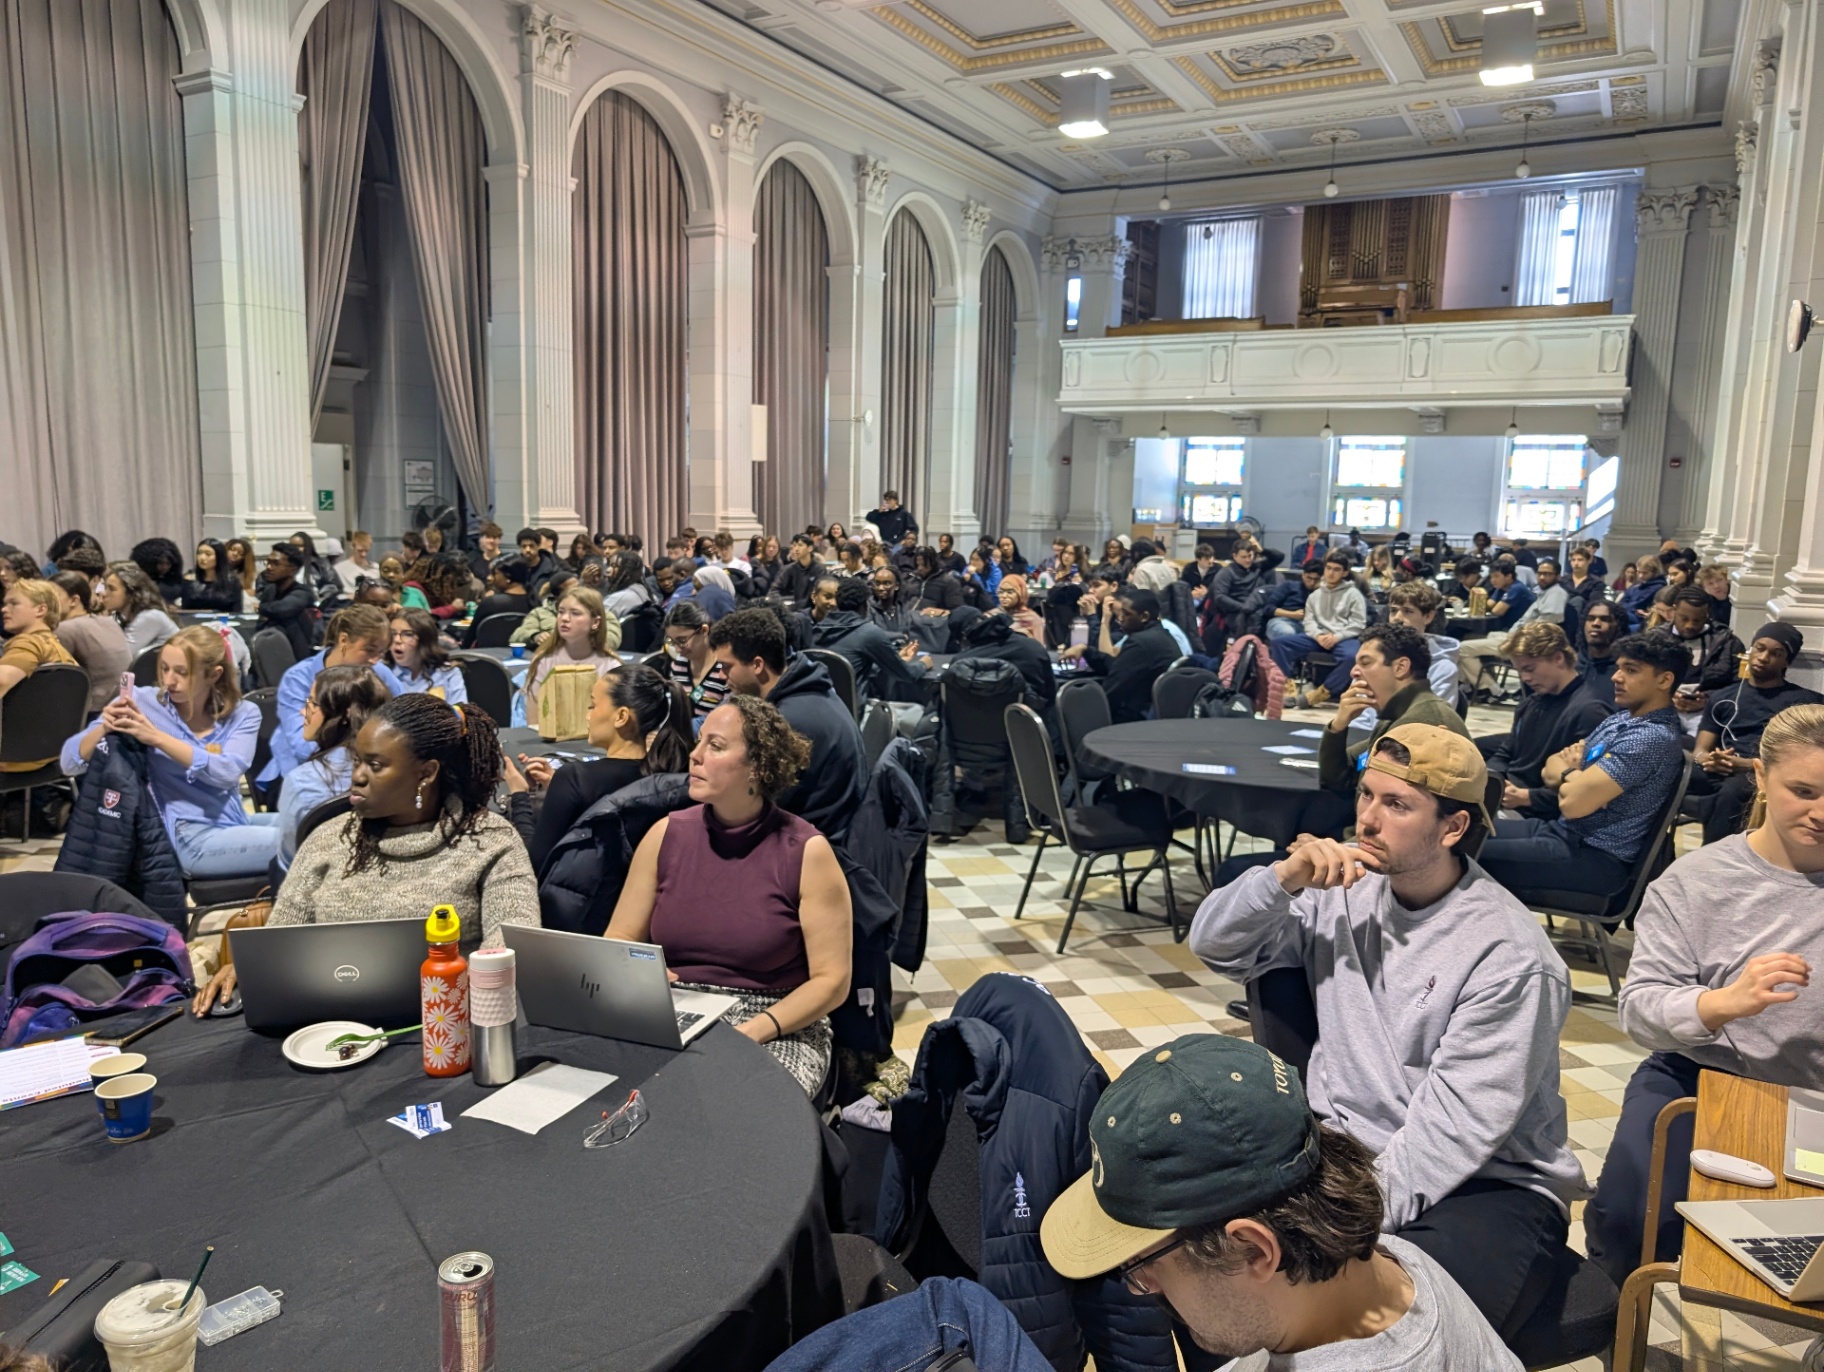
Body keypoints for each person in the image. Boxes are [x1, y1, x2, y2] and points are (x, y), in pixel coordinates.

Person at [785, 1034, 1522, 1372]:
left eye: (1143, 1270)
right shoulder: (1400, 1263)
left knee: (952, 1312)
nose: (1141, 1291)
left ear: (1253, 1248)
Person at [1191, 725, 1585, 1341]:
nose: (1368, 820)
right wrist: (1282, 879)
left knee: (1389, 1336)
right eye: (1365, 795)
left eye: (1396, 805)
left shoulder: (1510, 957)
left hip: (1486, 1183)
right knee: (1216, 1283)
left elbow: (1453, 1132)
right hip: (1343, 1155)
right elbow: (1214, 946)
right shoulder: (1340, 890)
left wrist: (1343, 1230)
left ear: (1452, 828)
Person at [1583, 703, 1824, 1286]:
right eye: (1803, 790)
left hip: (1813, 1091)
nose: (1822, 814)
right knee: (1627, 1216)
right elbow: (1640, 1009)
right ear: (1761, 777)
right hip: (1701, 1075)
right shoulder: (1696, 883)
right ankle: (1617, 1321)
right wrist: (1719, 1003)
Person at [193, 694, 541, 1013]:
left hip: (445, 1029)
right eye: (357, 760)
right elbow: (282, 939)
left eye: (375, 765)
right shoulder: (330, 837)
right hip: (323, 1024)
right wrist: (253, 967)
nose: (356, 776)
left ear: (426, 773)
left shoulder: (491, 842)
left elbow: (508, 953)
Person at [605, 695, 850, 1092]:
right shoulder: (666, 834)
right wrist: (641, 973)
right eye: (699, 742)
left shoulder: (806, 851)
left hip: (776, 1017)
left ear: (758, 766)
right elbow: (618, 939)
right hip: (673, 1006)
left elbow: (832, 980)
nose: (695, 755)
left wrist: (757, 1029)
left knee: (737, 1105)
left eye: (715, 746)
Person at [1477, 631, 1688, 898]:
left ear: (1664, 680)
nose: (1616, 677)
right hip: (1564, 833)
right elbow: (1548, 768)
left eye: (1631, 670)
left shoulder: (1650, 737)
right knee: (1461, 831)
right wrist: (1577, 778)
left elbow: (1572, 803)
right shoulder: (1622, 720)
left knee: (1454, 853)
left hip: (1595, 858)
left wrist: (1569, 773)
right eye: (1619, 667)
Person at [63, 626, 279, 879]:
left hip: (231, 819)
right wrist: (102, 729)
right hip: (185, 836)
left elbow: (226, 773)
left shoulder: (243, 713)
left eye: (182, 672)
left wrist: (156, 738)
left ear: (214, 674)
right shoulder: (141, 702)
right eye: (164, 668)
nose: (168, 681)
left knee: (317, 827)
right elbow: (69, 763)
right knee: (305, 843)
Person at [503, 663, 694, 871]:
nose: (588, 716)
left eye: (593, 706)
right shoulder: (671, 778)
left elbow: (536, 864)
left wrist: (519, 796)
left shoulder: (576, 778)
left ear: (621, 717)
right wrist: (558, 788)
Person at [709, 608, 867, 843]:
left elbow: (750, 804)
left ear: (757, 665)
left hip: (816, 849)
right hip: (824, 832)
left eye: (726, 667)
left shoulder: (787, 721)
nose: (721, 676)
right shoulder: (810, 687)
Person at [1689, 622, 1823, 843]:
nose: (1763, 657)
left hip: (1763, 771)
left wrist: (1747, 764)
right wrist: (1709, 759)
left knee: (1731, 793)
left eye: (1775, 653)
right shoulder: (1723, 696)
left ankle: (1716, 857)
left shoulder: (1803, 701)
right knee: (1670, 771)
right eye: (1759, 648)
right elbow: (1700, 749)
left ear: (1786, 662)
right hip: (1721, 767)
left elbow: (1802, 758)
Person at [1481, 622, 1617, 821]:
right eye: (1519, 671)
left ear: (1559, 658)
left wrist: (1528, 798)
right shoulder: (1531, 703)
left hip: (1540, 814)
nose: (1525, 677)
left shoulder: (1590, 711)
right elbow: (1505, 754)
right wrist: (1492, 780)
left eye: (1530, 668)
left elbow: (1592, 789)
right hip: (1508, 798)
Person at [260, 604, 405, 785]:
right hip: (302, 775)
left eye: (381, 652)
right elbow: (302, 746)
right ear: (344, 640)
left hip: (359, 770)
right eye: (369, 649)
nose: (375, 660)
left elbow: (405, 714)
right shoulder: (298, 679)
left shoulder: (379, 672)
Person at [1317, 623, 1468, 792]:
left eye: (1365, 663)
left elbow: (1367, 793)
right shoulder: (1399, 713)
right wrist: (1338, 727)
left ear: (1400, 667)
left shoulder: (1419, 725)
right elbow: (1341, 777)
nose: (1354, 672)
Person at [275, 664, 390, 872]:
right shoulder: (403, 769)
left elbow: (290, 860)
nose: (303, 711)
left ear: (344, 715)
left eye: (312, 703)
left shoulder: (302, 782)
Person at [1060, 587, 1179, 726]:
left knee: (1065, 713)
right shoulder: (1161, 635)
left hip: (1139, 721)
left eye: (1127, 614)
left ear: (1144, 617)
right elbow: (1118, 664)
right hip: (1160, 716)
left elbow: (1111, 690)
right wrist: (1086, 650)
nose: (1120, 618)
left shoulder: (1140, 643)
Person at [0, 581, 81, 775]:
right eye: (4, 603)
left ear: (40, 610)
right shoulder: (55, 646)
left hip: (11, 756)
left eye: (14, 603)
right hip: (52, 752)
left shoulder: (28, 642)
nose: (4, 609)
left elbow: (2, 681)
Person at [1269, 553, 1368, 709]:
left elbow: (1358, 623)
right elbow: (1309, 621)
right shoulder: (1315, 595)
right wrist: (1318, 635)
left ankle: (1319, 694)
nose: (1331, 573)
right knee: (1279, 643)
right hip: (1317, 638)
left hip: (1344, 638)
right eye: (1328, 568)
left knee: (1352, 657)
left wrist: (1337, 637)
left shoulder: (1354, 594)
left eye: (1336, 569)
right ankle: (1287, 688)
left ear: (1345, 573)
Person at [814, 580, 931, 705]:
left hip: (821, 708)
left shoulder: (817, 630)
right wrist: (923, 664)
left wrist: (895, 658)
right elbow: (907, 675)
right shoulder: (868, 633)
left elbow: (850, 666)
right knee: (917, 711)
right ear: (865, 605)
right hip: (853, 714)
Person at [524, 586, 621, 724]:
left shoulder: (611, 666)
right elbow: (534, 720)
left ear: (595, 622)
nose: (564, 618)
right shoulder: (544, 661)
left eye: (575, 613)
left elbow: (612, 721)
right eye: (561, 612)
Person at [49, 570, 131, 714]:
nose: (45, 603)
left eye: (52, 596)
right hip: (125, 703)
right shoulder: (109, 621)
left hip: (93, 712)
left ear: (74, 600)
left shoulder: (65, 629)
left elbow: (51, 678)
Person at [1666, 586, 1745, 729]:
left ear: (1707, 615)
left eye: (1697, 620)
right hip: (1663, 706)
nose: (1690, 625)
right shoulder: (1655, 640)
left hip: (1709, 711)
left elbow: (1740, 685)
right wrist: (1667, 695)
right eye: (1684, 618)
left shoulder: (1728, 642)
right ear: (1673, 611)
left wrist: (1709, 698)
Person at [1456, 559, 1537, 697]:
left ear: (1509, 576)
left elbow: (1497, 610)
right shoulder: (1502, 589)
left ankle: (1490, 689)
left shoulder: (1517, 589)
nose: (1493, 580)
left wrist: (1487, 603)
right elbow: (1487, 605)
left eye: (1497, 576)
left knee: (1462, 648)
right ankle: (1469, 685)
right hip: (1503, 634)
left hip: (1517, 639)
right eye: (1492, 576)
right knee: (1462, 639)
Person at [954, 606, 1057, 713]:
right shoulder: (1032, 648)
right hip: (1027, 724)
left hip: (971, 726)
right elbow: (1051, 695)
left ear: (963, 637)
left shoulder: (961, 663)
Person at [661, 599, 730, 722]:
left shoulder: (725, 669)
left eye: (682, 641)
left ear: (704, 630)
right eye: (672, 641)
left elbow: (726, 719)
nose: (677, 649)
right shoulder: (678, 665)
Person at [100, 560, 180, 660]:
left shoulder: (149, 617)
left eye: (111, 589)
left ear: (131, 593)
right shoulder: (123, 617)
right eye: (105, 587)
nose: (103, 593)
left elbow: (119, 659)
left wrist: (102, 621)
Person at [389, 607, 468, 704]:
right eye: (392, 634)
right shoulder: (380, 673)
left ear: (425, 640)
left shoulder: (449, 673)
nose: (397, 640)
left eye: (408, 634)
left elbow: (461, 713)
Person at [256, 544, 319, 660]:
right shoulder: (270, 590)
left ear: (292, 569)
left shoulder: (303, 592)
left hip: (298, 656)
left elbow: (283, 609)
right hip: (270, 650)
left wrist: (262, 608)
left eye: (275, 563)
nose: (269, 567)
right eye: (268, 562)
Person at [1205, 541, 1269, 651]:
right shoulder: (1226, 573)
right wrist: (1243, 607)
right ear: (1234, 556)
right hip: (1235, 611)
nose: (1248, 560)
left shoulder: (1256, 567)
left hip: (1256, 608)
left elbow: (1278, 557)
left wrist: (1260, 550)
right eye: (1243, 557)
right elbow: (1220, 597)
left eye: (1250, 556)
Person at [466, 556, 535, 645]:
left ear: (508, 577)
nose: (489, 578)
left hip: (487, 656)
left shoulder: (491, 603)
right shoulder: (534, 602)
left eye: (494, 573)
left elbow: (470, 638)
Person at [1263, 559, 1323, 643]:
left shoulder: (1323, 593)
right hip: (1283, 621)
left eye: (1316, 579)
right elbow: (1268, 608)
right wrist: (1293, 614)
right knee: (1288, 634)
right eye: (1309, 578)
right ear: (1303, 575)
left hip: (1307, 625)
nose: (1312, 582)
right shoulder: (1289, 586)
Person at [1576, 600, 1624, 703]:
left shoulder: (1623, 672)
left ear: (1618, 626)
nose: (1596, 624)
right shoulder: (1571, 666)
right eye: (1590, 619)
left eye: (1605, 619)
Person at [179, 538, 242, 612]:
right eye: (199, 553)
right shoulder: (189, 580)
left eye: (208, 554)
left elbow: (237, 611)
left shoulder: (231, 581)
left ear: (219, 557)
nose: (202, 558)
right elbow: (185, 610)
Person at [129, 537, 187, 604]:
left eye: (168, 563)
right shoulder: (139, 584)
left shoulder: (178, 583)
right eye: (160, 563)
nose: (165, 567)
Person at [1618, 554, 1666, 630]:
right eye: (1638, 572)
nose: (1640, 576)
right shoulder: (1638, 584)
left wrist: (1621, 608)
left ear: (1655, 572)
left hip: (1641, 619)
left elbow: (1637, 605)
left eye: (1645, 573)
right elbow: (1624, 599)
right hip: (1629, 614)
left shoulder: (1658, 587)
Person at [995, 573, 1045, 643]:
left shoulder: (1032, 619)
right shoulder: (992, 616)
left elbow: (1039, 649)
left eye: (1010, 592)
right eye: (1001, 592)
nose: (1004, 596)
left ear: (1020, 594)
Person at [333, 530, 377, 596]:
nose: (363, 554)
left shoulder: (376, 568)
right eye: (360, 551)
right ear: (352, 546)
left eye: (366, 551)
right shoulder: (339, 569)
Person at [1698, 562, 1734, 629]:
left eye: (1719, 580)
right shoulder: (1703, 604)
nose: (1716, 586)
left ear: (1726, 580)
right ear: (1704, 588)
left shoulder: (1735, 597)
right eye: (1710, 583)